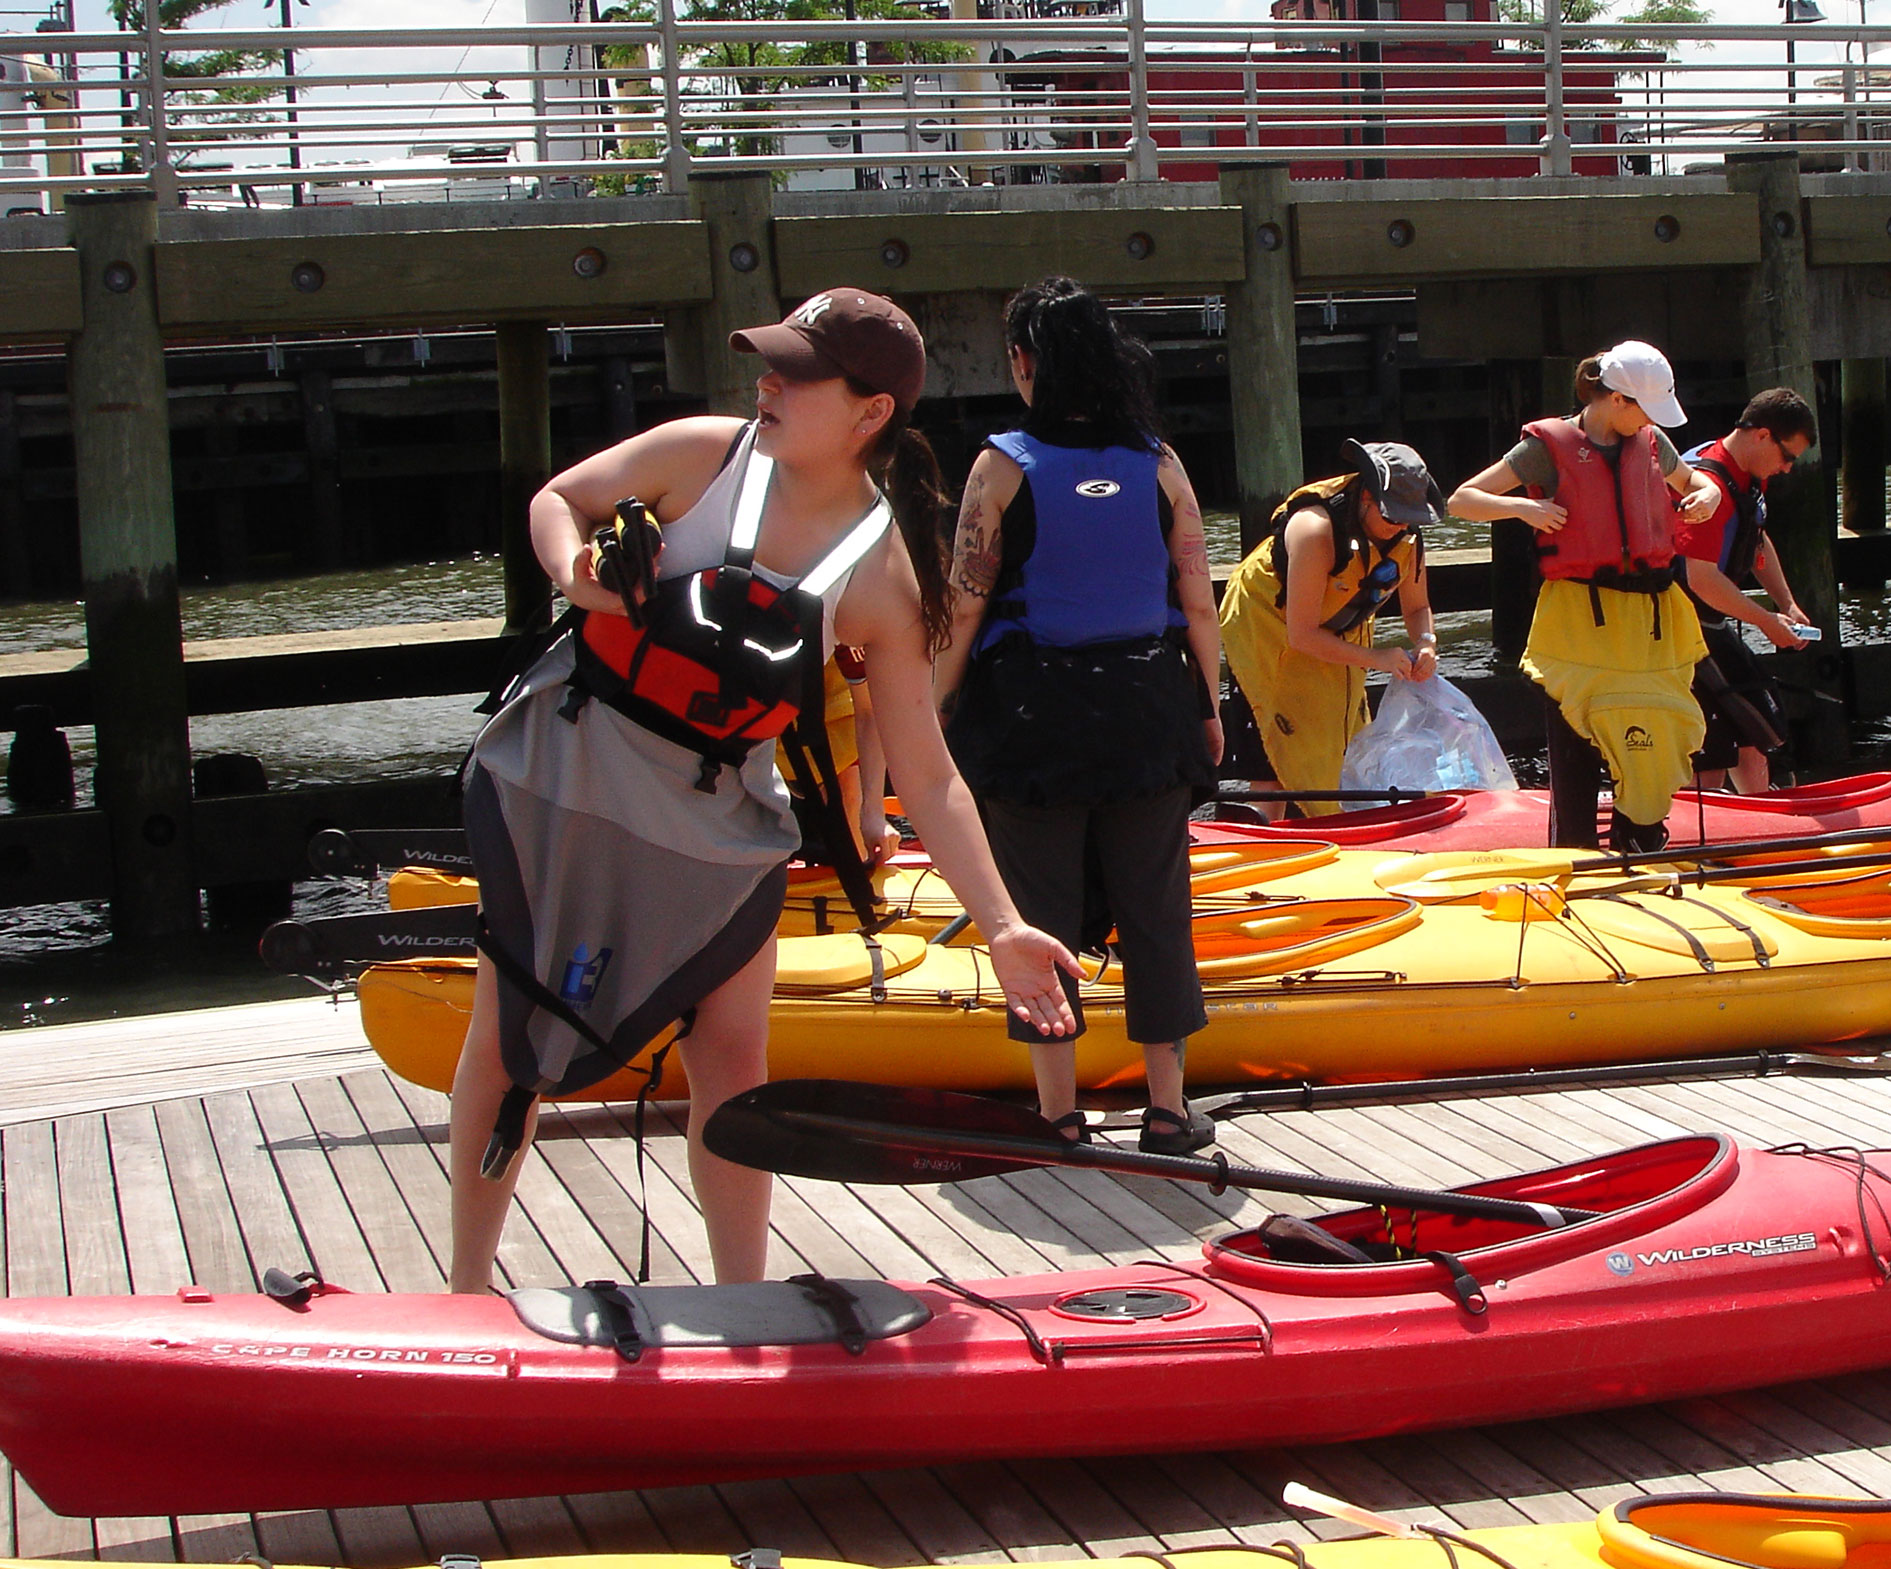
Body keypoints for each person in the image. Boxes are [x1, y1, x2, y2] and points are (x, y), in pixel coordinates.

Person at [449, 287, 1079, 1293]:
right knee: (510, 1041)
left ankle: (742, 1296)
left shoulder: (881, 573)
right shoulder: (703, 453)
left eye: (796, 372)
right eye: (767, 362)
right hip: (570, 775)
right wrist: (577, 572)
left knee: (736, 1062)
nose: (767, 382)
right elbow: (558, 498)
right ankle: (467, 1291)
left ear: (870, 413)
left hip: (715, 818)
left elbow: (928, 769)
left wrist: (1000, 923)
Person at [941, 276, 1224, 1156]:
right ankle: (1169, 1110)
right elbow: (1199, 601)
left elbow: (964, 605)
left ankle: (1060, 1114)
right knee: (1155, 907)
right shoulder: (1161, 463)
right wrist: (1208, 710)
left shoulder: (1000, 465)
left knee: (1042, 907)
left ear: (1027, 363)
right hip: (1149, 709)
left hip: (1036, 720)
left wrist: (936, 706)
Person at [1448, 342, 1724, 851]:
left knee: (1655, 732)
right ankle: (1574, 853)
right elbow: (1462, 500)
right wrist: (1525, 511)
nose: (1649, 422)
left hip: (1650, 619)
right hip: (1579, 619)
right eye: (1643, 408)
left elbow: (1698, 481)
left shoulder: (1652, 442)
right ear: (1616, 399)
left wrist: (1707, 494)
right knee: (1576, 739)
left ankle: (1639, 836)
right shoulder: (1546, 448)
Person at [1218, 439, 1441, 814]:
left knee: (1344, 737)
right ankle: (1265, 830)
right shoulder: (1315, 530)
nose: (1400, 525)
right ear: (1367, 497)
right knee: (1275, 748)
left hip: (1339, 626)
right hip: (1268, 627)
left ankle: (1339, 823)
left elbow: (1418, 606)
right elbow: (1300, 634)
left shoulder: (1407, 535)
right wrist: (1377, 659)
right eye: (1392, 516)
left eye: (1409, 517)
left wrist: (1427, 643)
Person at [1677, 389, 1816, 795]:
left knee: (1757, 724)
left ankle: (1761, 814)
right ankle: (1703, 835)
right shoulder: (1708, 485)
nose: (1788, 469)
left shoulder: (1751, 474)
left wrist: (1785, 602)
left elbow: (1756, 539)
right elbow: (1701, 578)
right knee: (1710, 742)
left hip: (1712, 621)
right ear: (1762, 436)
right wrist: (1767, 622)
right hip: (1680, 628)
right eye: (1787, 456)